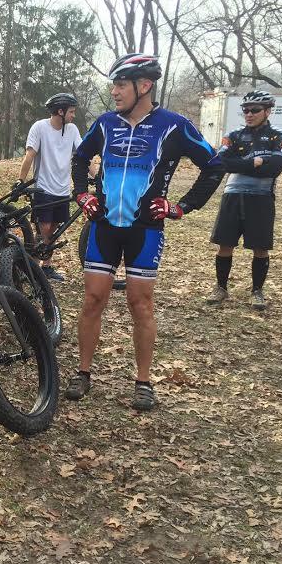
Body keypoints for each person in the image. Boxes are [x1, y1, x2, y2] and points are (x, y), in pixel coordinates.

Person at [68, 54, 224, 411]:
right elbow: (80, 157)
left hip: (146, 229)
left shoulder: (174, 125)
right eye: (114, 84)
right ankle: (83, 371)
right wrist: (82, 193)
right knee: (93, 300)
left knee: (140, 304)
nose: (114, 91)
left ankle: (143, 381)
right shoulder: (106, 123)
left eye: (121, 84)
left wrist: (181, 206)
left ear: (145, 86)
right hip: (104, 226)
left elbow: (213, 166)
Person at [206, 90, 282, 310]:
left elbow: (275, 168)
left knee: (260, 247)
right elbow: (223, 163)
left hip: (261, 198)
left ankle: (257, 291)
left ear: (268, 111)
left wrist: (241, 163)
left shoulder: (280, 136)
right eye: (245, 110)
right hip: (232, 195)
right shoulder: (233, 135)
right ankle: (221, 287)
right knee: (225, 244)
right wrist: (255, 163)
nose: (249, 114)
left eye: (255, 110)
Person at [18, 93, 81, 281]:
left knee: (53, 230)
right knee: (43, 229)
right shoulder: (39, 127)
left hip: (62, 189)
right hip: (43, 189)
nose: (73, 115)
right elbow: (30, 155)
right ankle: (31, 268)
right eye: (71, 112)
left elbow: (82, 155)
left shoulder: (72, 130)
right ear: (59, 111)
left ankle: (46, 267)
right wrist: (21, 180)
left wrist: (98, 176)